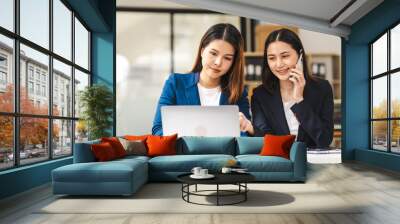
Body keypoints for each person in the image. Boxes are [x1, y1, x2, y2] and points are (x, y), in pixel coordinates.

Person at [152, 23, 254, 136]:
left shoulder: (238, 92)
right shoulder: (175, 83)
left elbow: (244, 137)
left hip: (222, 153)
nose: (218, 62)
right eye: (213, 53)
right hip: (183, 152)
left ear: (233, 62)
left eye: (227, 58)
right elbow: (158, 130)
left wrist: (247, 127)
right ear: (202, 51)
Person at [251, 28, 333, 148]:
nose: (278, 64)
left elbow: (324, 140)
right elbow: (265, 139)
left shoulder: (322, 88)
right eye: (272, 58)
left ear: (300, 55)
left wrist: (299, 100)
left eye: (285, 56)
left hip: (312, 162)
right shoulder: (260, 95)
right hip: (278, 162)